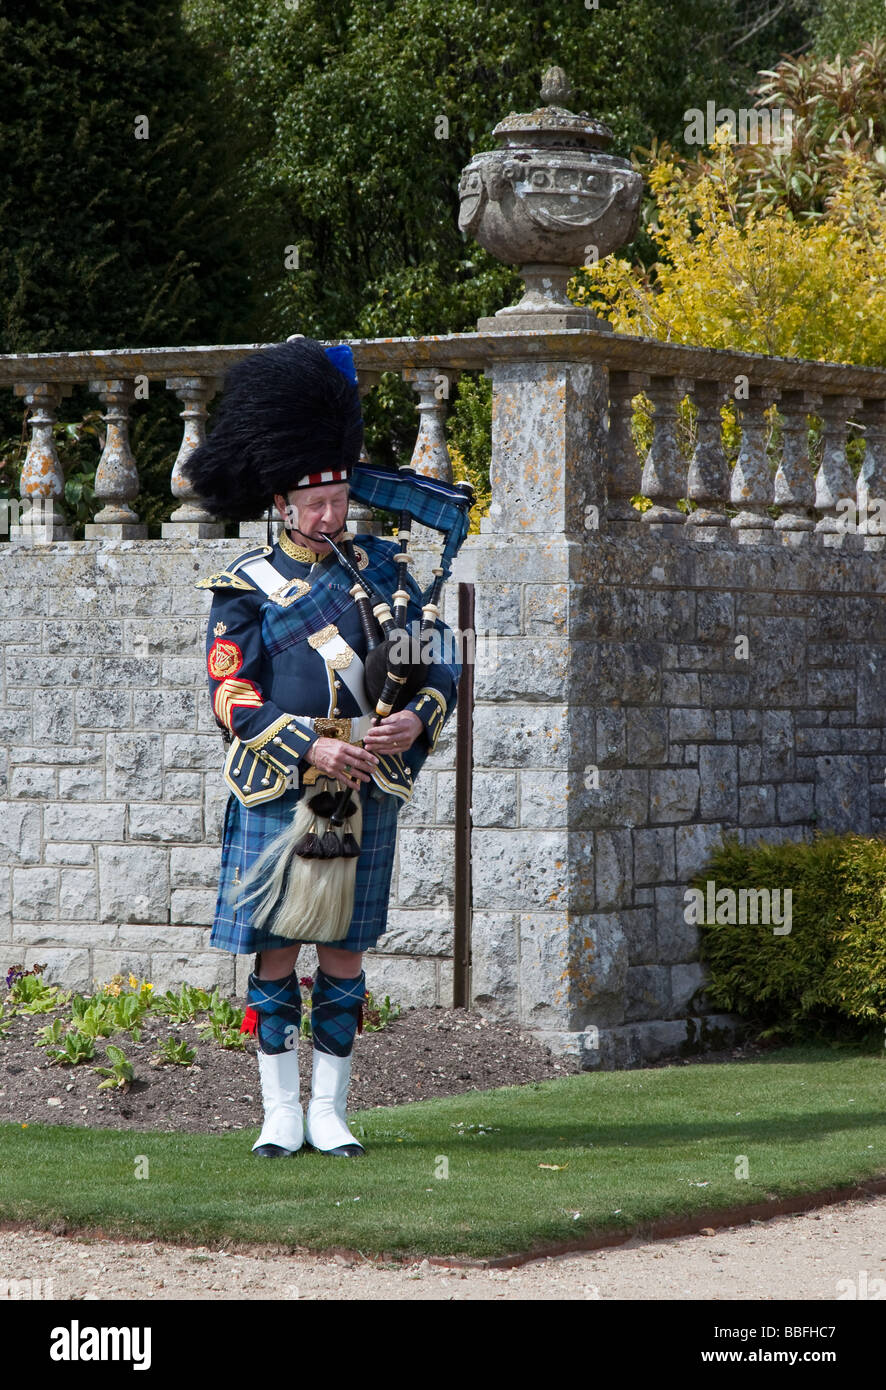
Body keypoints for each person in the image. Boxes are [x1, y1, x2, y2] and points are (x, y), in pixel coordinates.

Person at [184, 337, 459, 1159]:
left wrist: (420, 720)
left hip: (365, 781)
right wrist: (309, 745)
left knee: (343, 949)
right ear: (281, 501)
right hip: (279, 785)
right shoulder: (245, 586)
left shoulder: (391, 573)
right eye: (315, 503)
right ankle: (278, 1112)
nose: (331, 515)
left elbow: (437, 664)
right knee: (273, 952)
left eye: (339, 497)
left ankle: (331, 1111)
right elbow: (229, 693)